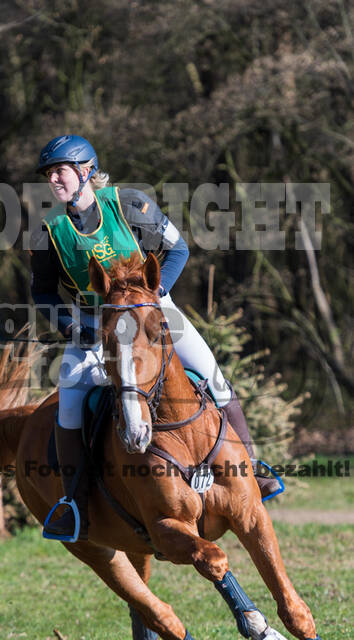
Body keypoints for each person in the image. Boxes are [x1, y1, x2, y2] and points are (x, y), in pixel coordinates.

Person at [30, 134, 280, 541]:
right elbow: (41, 291)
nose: (54, 179)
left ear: (86, 171)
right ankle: (73, 504)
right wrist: (73, 326)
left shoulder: (129, 205)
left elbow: (177, 250)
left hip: (153, 316)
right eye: (49, 174)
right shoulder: (49, 232)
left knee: (213, 377)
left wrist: (155, 299)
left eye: (60, 171)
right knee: (70, 406)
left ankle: (254, 469)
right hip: (94, 329)